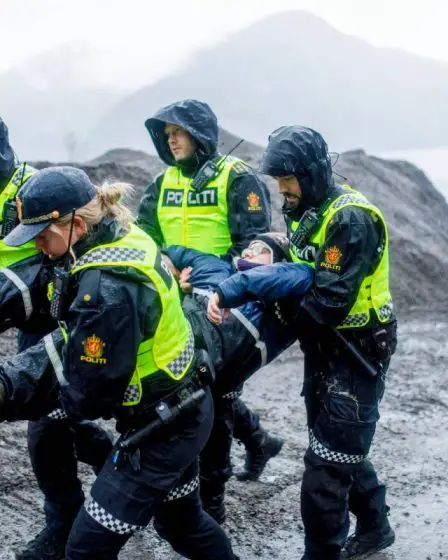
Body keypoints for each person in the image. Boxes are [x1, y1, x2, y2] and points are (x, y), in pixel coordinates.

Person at [3, 166, 237, 560]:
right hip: (184, 407)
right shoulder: (120, 236)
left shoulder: (106, 287)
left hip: (164, 428)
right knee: (181, 523)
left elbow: (87, 392)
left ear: (75, 225)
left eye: (43, 236)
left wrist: (11, 390)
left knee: (85, 548)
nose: (39, 247)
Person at [256, 126, 398, 560]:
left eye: (288, 181)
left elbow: (328, 302)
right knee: (333, 443)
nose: (282, 190)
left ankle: (321, 554)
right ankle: (376, 527)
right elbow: (303, 262)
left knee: (324, 470)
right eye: (278, 182)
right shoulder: (306, 209)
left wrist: (278, 310)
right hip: (325, 346)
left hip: (357, 349)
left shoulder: (349, 217)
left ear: (313, 174)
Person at [137, 98, 282, 486]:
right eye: (166, 134)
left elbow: (253, 249)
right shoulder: (160, 183)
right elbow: (145, 241)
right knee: (201, 384)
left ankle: (212, 496)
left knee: (211, 390)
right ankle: (257, 440)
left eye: (178, 132)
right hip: (174, 299)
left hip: (224, 301)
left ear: (200, 134)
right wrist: (165, 271)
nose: (171, 141)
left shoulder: (237, 177)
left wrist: (213, 282)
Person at [0, 120, 113, 560]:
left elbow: (61, 254)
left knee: (44, 421)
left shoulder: (34, 189)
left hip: (58, 310)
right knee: (57, 414)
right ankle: (108, 460)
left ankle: (62, 521)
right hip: (17, 308)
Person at [163, 232, 313, 523]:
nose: (249, 251)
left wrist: (234, 287)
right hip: (194, 366)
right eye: (249, 247)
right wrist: (175, 280)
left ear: (279, 263)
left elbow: (303, 274)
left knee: (218, 420)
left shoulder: (281, 305)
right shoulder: (212, 266)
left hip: (221, 376)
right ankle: (259, 443)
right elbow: (166, 254)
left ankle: (214, 505)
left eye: (260, 250)